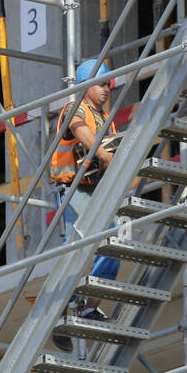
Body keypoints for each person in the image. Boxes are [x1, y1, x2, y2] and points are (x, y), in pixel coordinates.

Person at [50, 59, 122, 346]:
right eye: (101, 84)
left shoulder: (106, 118)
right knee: (77, 249)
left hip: (98, 189)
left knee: (111, 247)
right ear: (86, 86)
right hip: (75, 189)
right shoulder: (75, 108)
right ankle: (61, 312)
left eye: (108, 84)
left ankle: (89, 306)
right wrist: (105, 156)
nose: (106, 89)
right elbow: (83, 134)